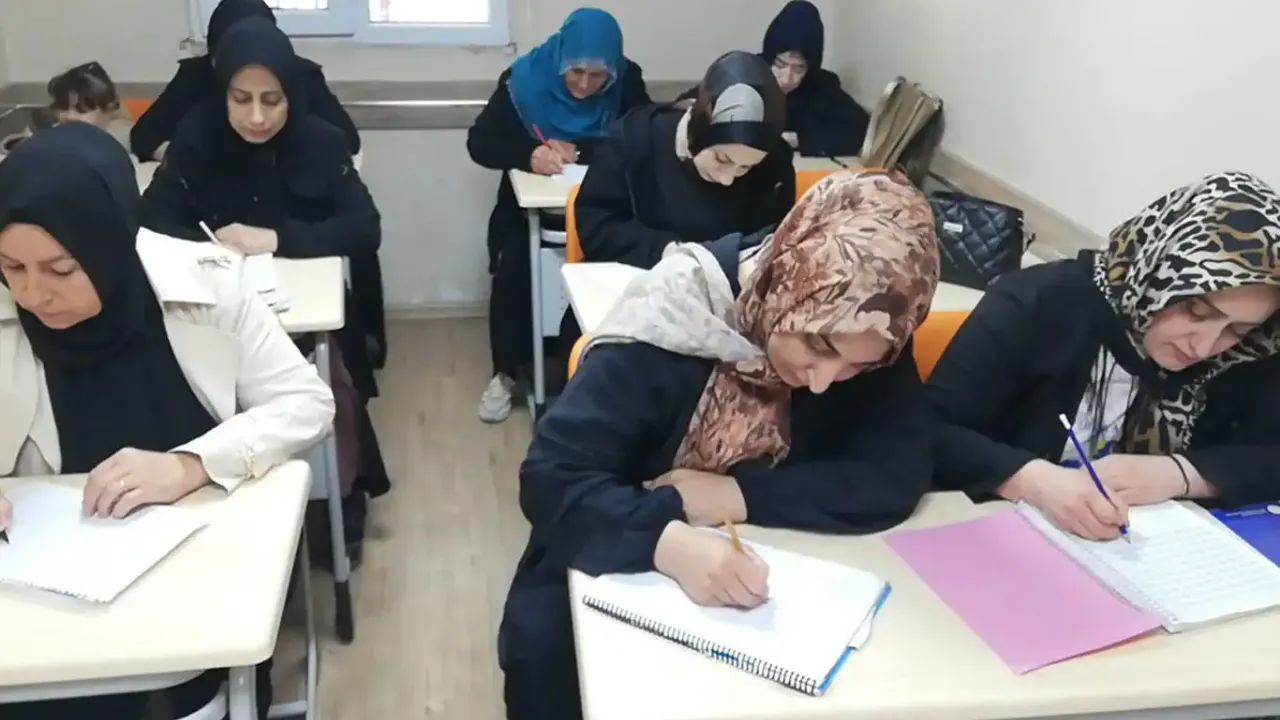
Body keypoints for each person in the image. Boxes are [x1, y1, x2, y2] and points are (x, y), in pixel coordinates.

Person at [499, 170, 940, 720]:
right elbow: (551, 479)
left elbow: (896, 473)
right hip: (609, 553)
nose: (824, 381)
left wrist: (735, 496)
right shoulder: (678, 314)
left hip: (771, 590)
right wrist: (665, 543)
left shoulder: (871, 322)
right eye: (818, 346)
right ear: (787, 282)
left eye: (857, 366)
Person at [0, 123, 334, 719]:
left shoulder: (205, 283)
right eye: (11, 267)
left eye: (61, 269)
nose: (33, 294)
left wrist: (191, 465)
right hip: (48, 587)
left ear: (108, 241)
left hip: (198, 558)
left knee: (196, 690)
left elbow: (306, 403)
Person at [139, 16, 390, 560]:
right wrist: (210, 253)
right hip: (217, 312)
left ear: (292, 96)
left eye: (272, 101)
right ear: (221, 93)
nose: (256, 117)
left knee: (332, 378)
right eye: (241, 99)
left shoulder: (319, 141)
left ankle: (340, 495)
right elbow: (153, 218)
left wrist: (275, 239)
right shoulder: (197, 137)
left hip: (303, 312)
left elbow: (363, 228)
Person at [928, 171, 1280, 540]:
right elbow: (929, 429)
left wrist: (1182, 474)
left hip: (1151, 549)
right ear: (1159, 270)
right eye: (1195, 310)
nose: (1205, 347)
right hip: (1000, 532)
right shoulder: (1039, 302)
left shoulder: (1250, 351)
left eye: (1238, 330)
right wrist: (1033, 480)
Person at [467, 7, 651, 423]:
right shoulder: (523, 80)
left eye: (597, 76)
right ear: (561, 59)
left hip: (602, 210)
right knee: (514, 268)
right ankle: (506, 373)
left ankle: (606, 369)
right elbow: (480, 142)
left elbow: (642, 137)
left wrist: (581, 148)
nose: (585, 84)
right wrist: (528, 154)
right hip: (527, 214)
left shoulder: (627, 81)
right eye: (576, 72)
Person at [130, 0, 359, 163]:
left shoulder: (301, 74)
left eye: (270, 99)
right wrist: (186, 159)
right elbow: (144, 136)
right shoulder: (196, 74)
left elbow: (347, 141)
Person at [46, 61, 134, 151]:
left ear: (108, 108)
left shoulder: (122, 140)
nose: (70, 116)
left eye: (81, 109)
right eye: (63, 107)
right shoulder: (51, 136)